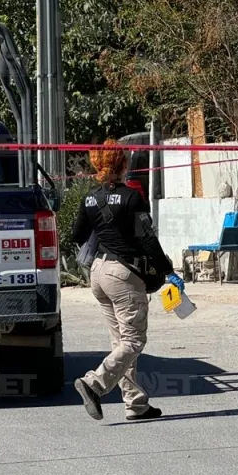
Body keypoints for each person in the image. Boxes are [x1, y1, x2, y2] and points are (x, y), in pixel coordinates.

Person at [70, 139, 182, 422]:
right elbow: (146, 237)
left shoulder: (89, 198)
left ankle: (136, 403)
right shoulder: (132, 198)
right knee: (133, 340)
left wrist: (105, 229)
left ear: (97, 164)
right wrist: (167, 270)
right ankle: (94, 383)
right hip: (123, 275)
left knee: (120, 341)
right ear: (123, 163)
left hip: (98, 273)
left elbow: (76, 236)